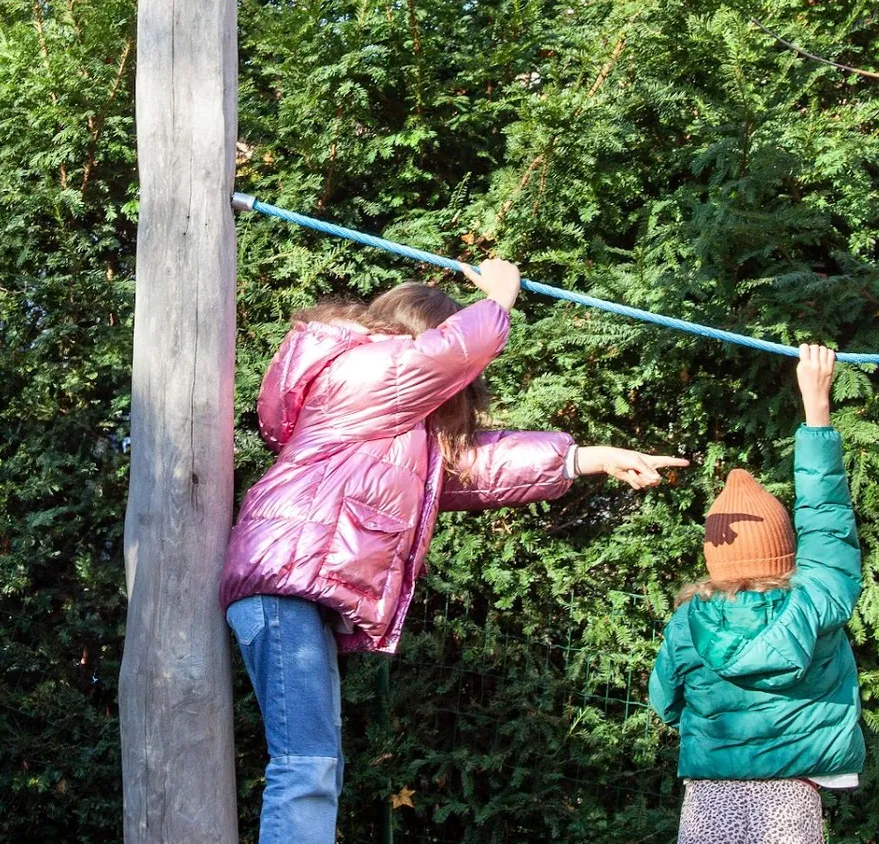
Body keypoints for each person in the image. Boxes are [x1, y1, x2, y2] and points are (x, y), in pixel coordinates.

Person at [223, 258, 688, 843]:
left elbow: (475, 466)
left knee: (317, 762)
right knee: (307, 764)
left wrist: (590, 457)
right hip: (284, 579)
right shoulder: (359, 370)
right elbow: (436, 359)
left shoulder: (396, 427)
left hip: (296, 586)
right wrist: (496, 303)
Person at [648, 344, 864, 844]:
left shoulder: (688, 620)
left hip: (709, 792)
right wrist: (817, 405)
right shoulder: (816, 599)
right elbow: (826, 519)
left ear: (714, 558)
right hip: (792, 796)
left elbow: (665, 702)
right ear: (786, 553)